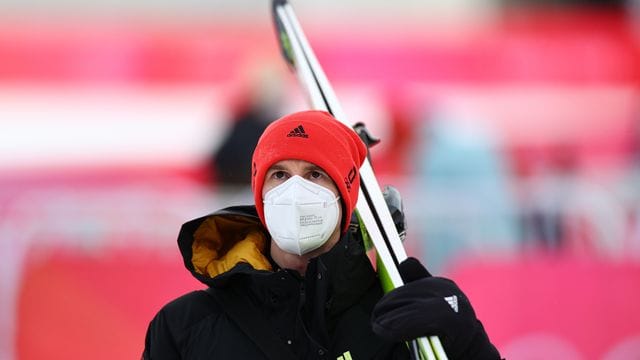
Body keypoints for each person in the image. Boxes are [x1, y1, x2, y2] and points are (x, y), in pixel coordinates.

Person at [143, 110, 501, 359]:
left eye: (315, 174)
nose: (295, 190)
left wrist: (466, 340)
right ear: (260, 193)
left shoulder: (396, 316)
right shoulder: (186, 325)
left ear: (345, 194)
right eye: (279, 175)